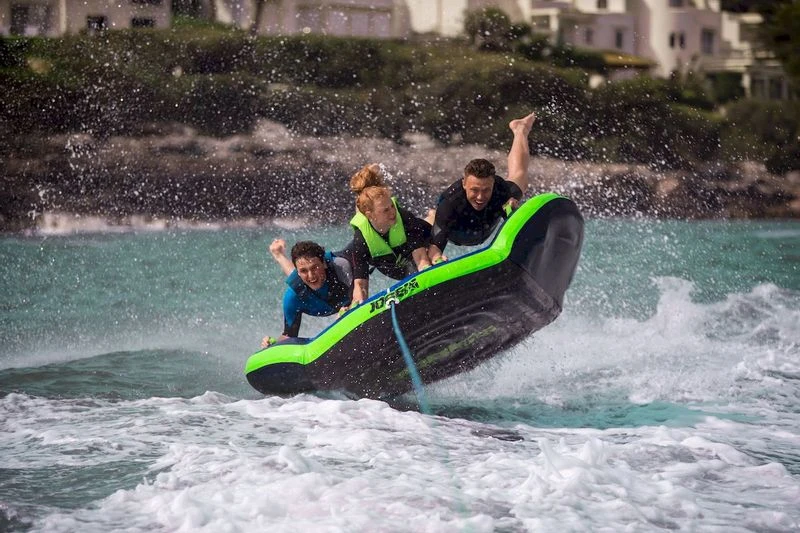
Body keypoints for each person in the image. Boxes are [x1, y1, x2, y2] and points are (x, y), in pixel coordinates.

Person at [427, 112, 536, 263]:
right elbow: (435, 246)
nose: (480, 197)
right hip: (454, 231)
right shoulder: (450, 204)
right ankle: (431, 216)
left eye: (486, 190)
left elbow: (518, 227)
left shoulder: (500, 190)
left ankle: (520, 130)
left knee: (520, 179)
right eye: (474, 190)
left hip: (484, 227)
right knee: (429, 227)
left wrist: (514, 212)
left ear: (493, 184)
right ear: (464, 184)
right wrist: (437, 259)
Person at [341, 164, 432, 305]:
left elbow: (421, 259)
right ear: (369, 215)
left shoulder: (404, 219)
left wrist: (429, 273)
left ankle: (432, 216)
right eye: (385, 210)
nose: (392, 212)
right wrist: (357, 304)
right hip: (392, 267)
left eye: (392, 206)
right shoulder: (361, 240)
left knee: (429, 224)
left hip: (416, 252)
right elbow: (360, 284)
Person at [261, 240, 353, 348]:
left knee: (307, 278)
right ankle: (278, 254)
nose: (311, 275)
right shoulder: (292, 298)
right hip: (303, 286)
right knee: (300, 281)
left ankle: (280, 255)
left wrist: (350, 309)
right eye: (303, 271)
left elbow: (360, 295)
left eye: (315, 267)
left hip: (339, 263)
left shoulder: (341, 267)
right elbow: (289, 336)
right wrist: (272, 346)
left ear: (323, 263)